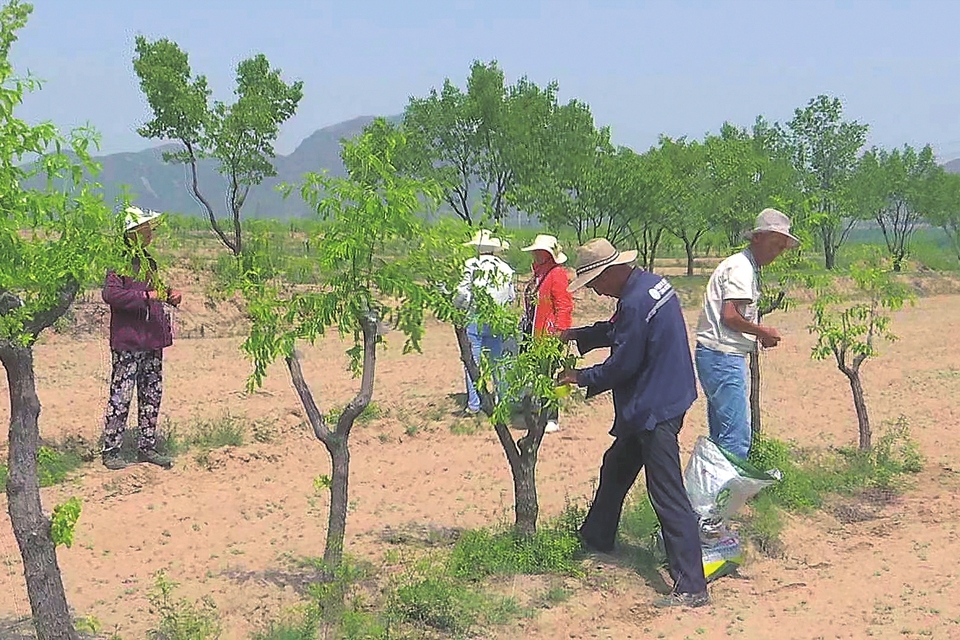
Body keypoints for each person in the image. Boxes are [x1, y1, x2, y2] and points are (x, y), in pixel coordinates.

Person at [557, 238, 709, 608]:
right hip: (663, 396)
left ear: (612, 272)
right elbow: (619, 330)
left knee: (667, 493)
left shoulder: (637, 299)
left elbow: (622, 365)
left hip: (654, 408)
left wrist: (577, 377)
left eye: (595, 282)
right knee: (616, 467)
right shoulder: (648, 286)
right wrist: (578, 336)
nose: (595, 289)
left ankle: (692, 586)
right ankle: (597, 539)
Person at [694, 208, 799, 461]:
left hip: (716, 355)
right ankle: (724, 499)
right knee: (736, 439)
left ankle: (710, 497)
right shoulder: (742, 268)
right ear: (757, 238)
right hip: (723, 356)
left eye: (781, 248)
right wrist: (763, 332)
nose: (776, 253)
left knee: (722, 435)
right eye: (774, 245)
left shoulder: (743, 265)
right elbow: (729, 316)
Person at [100, 206, 182, 470]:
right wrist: (147, 297)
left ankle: (146, 446)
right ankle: (111, 450)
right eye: (146, 228)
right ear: (132, 233)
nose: (150, 233)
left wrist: (167, 295)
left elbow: (153, 293)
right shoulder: (120, 263)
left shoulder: (148, 262)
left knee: (151, 394)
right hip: (129, 340)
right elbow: (111, 296)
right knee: (121, 394)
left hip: (151, 339)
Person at [454, 229, 516, 414]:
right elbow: (511, 296)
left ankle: (474, 404)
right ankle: (502, 400)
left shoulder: (471, 265)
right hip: (498, 318)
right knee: (498, 363)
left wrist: (458, 307)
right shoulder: (505, 268)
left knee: (472, 362)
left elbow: (463, 293)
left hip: (475, 318)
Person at [520, 234, 574, 433]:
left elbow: (564, 305)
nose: (534, 254)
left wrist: (560, 333)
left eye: (538, 251)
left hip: (549, 334)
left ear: (547, 254)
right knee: (538, 374)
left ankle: (551, 416)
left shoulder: (556, 274)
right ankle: (540, 411)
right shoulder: (540, 273)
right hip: (535, 333)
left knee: (548, 375)